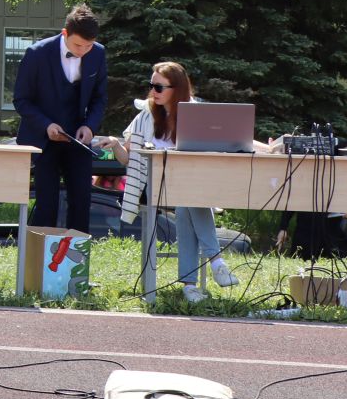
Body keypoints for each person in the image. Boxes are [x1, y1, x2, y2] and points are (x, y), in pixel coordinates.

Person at [95, 61, 239, 303]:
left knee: (187, 205)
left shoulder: (196, 115)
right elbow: (127, 160)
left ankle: (189, 286)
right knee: (192, 196)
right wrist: (117, 144)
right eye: (151, 86)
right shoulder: (145, 116)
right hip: (153, 186)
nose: (153, 92)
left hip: (188, 187)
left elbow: (227, 141)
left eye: (159, 87)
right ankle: (216, 262)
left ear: (178, 89)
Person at [13, 4, 109, 230]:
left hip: (78, 140)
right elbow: (21, 100)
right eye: (78, 45)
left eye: (88, 45)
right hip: (43, 139)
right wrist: (46, 125)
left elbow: (99, 98)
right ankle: (40, 262)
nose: (83, 50)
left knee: (81, 201)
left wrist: (90, 126)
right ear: (65, 33)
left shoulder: (98, 53)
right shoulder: (37, 54)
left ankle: (75, 261)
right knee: (47, 204)